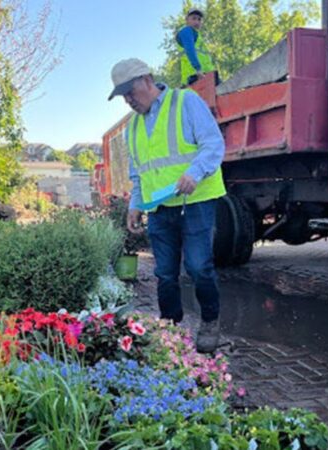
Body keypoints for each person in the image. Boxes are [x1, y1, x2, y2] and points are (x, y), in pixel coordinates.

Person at [108, 58, 226, 353]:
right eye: (122, 96)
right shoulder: (132, 128)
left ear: (147, 79)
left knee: (199, 267)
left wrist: (194, 173)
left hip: (195, 201)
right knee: (164, 273)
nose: (128, 100)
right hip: (158, 207)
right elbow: (138, 172)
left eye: (130, 91)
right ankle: (170, 329)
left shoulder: (185, 102)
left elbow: (213, 144)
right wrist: (135, 205)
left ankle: (210, 321)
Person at [176, 8, 216, 86]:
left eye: (199, 19)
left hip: (206, 75)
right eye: (193, 18)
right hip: (196, 76)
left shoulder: (197, 36)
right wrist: (198, 68)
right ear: (187, 20)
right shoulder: (187, 31)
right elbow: (189, 49)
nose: (197, 22)